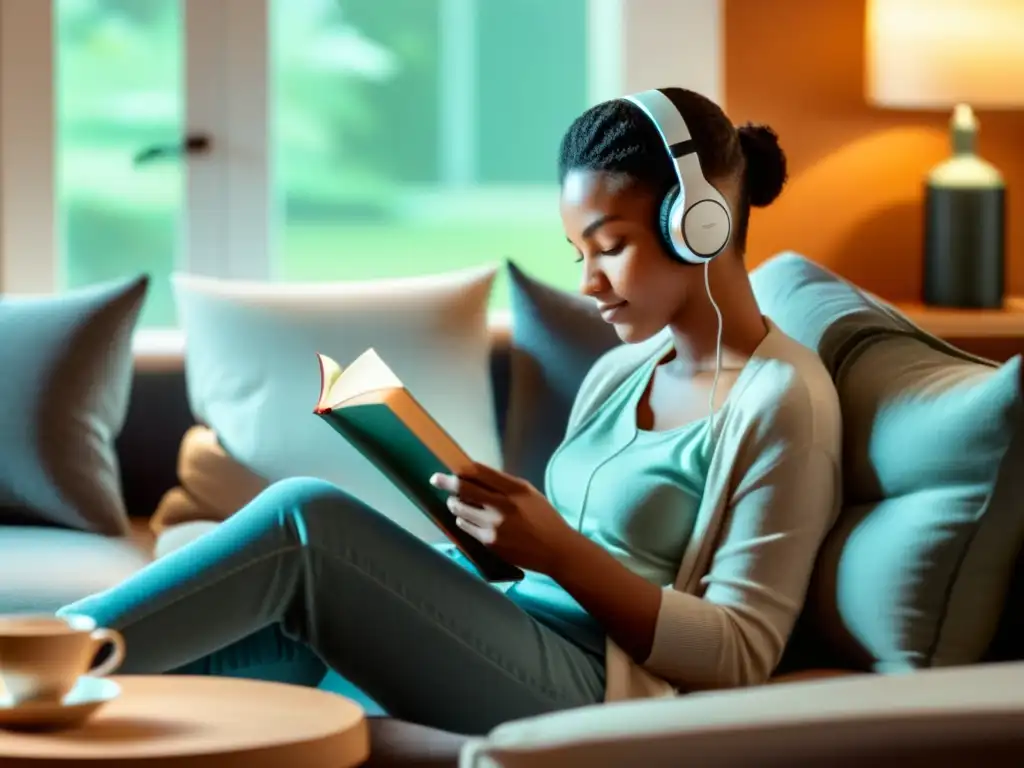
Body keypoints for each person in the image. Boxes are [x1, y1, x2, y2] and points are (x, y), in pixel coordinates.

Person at [58, 87, 841, 738]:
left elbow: (741, 652)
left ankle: (36, 653)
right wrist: (484, 539)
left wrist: (558, 551)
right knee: (248, 633)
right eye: (580, 254)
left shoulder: (782, 401)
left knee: (309, 518)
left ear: (695, 222)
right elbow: (557, 555)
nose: (591, 283)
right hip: (514, 627)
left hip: (596, 691)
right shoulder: (620, 371)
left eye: (610, 245)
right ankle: (34, 695)